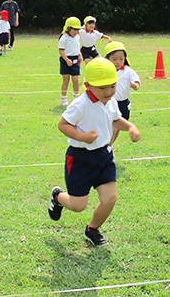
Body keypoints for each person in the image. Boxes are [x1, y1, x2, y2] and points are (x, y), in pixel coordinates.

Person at [48, 58, 141, 246]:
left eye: (112, 86)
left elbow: (115, 120)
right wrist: (82, 137)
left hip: (104, 156)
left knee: (110, 198)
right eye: (102, 88)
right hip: (80, 158)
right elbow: (63, 124)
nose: (108, 92)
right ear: (88, 85)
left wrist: (130, 126)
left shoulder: (111, 100)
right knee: (78, 205)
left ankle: (92, 230)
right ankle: (57, 197)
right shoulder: (80, 104)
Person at [105, 41, 140, 146]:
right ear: (107, 59)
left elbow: (136, 81)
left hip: (123, 104)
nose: (118, 62)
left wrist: (135, 85)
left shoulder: (127, 71)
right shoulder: (106, 70)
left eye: (121, 59)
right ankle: (107, 148)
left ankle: (109, 146)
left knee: (117, 128)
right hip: (110, 103)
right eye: (114, 59)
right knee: (113, 127)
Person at [58, 17, 83, 106]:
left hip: (75, 59)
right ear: (68, 28)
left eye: (78, 29)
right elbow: (61, 51)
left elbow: (76, 46)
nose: (76, 32)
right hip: (66, 60)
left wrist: (79, 55)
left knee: (75, 79)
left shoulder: (77, 37)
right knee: (66, 80)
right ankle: (63, 98)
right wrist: (67, 60)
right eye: (74, 29)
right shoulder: (63, 38)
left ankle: (76, 97)